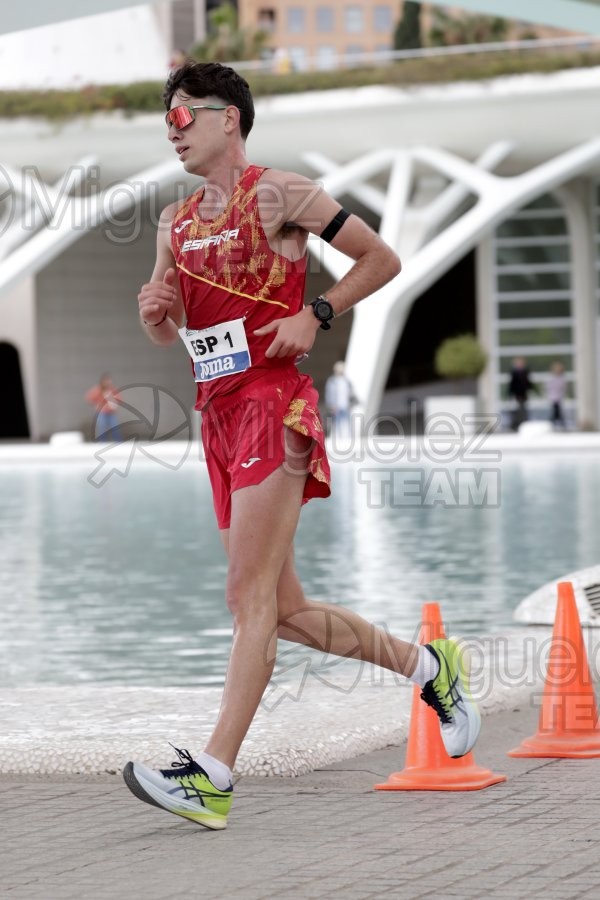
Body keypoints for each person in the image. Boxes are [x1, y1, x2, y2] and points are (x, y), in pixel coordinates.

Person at [122, 61, 481, 830]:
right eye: (167, 120)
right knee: (284, 610)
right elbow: (170, 331)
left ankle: (213, 775)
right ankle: (430, 666)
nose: (173, 130)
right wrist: (154, 312)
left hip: (273, 405)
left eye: (184, 116)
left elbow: (381, 259)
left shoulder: (280, 192)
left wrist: (317, 311)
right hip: (216, 414)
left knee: (245, 599)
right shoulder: (174, 224)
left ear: (229, 119)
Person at [85, 374, 122, 441]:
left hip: (111, 412)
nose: (107, 383)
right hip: (102, 412)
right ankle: (102, 443)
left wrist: (112, 400)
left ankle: (118, 442)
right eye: (106, 381)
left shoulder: (112, 390)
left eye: (109, 381)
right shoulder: (98, 390)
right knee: (102, 428)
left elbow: (119, 399)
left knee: (114, 427)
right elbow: (90, 398)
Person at [325, 360, 355, 437]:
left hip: (345, 405)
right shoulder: (332, 381)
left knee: (347, 422)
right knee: (336, 422)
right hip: (336, 406)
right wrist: (331, 405)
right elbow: (329, 394)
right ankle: (337, 437)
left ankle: (347, 437)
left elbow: (351, 392)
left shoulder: (346, 381)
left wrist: (350, 399)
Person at [508, 357, 535, 431]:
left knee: (523, 410)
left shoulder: (525, 372)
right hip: (517, 395)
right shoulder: (514, 372)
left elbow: (528, 383)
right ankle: (515, 424)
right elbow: (512, 384)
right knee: (517, 410)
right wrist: (511, 394)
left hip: (524, 394)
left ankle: (523, 424)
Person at [546, 361, 567, 429]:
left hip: (558, 397)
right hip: (553, 397)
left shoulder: (561, 378)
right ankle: (556, 424)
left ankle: (556, 423)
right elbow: (549, 387)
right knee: (556, 412)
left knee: (557, 412)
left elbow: (562, 388)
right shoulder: (552, 378)